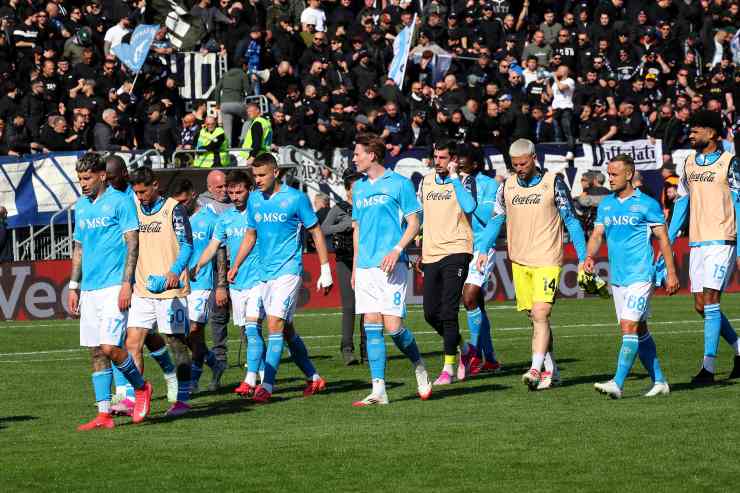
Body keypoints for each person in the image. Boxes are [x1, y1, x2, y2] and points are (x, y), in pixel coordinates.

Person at [477, 139, 588, 391]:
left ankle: (536, 368)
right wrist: (482, 249)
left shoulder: (553, 183)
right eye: (515, 164)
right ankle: (553, 369)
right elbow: (496, 220)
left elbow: (570, 220)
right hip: (520, 260)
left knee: (541, 313)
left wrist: (582, 257)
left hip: (547, 259)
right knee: (535, 318)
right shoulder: (506, 187)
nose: (519, 168)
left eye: (523, 163)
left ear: (534, 158)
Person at [227, 153, 333, 403]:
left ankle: (267, 386)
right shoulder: (254, 200)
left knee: (274, 324)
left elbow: (315, 232)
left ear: (276, 172)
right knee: (286, 331)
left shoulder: (295, 198)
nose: (258, 180)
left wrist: (325, 268)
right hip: (263, 275)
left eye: (262, 175)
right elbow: (250, 236)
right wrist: (236, 265)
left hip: (288, 271)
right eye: (255, 175)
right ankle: (314, 377)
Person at [68, 152, 152, 430]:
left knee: (111, 346)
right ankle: (104, 414)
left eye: (88, 178)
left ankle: (141, 388)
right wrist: (74, 285)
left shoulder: (121, 201)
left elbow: (133, 243)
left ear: (102, 175)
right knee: (96, 351)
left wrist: (127, 282)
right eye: (80, 178)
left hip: (115, 285)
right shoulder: (81, 207)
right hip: (90, 289)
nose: (83, 183)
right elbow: (79, 248)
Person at [584, 154, 679, 399]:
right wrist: (589, 256)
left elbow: (664, 240)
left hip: (641, 275)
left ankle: (617, 383)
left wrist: (671, 272)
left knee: (629, 326)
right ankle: (660, 381)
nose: (610, 178)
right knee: (639, 330)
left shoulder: (647, 203)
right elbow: (596, 235)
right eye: (608, 174)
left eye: (614, 174)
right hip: (619, 278)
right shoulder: (606, 204)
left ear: (629, 174)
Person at [350, 133, 431, 406]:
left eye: (357, 153)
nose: (354, 158)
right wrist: (354, 267)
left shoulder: (399, 184)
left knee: (394, 329)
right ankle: (379, 390)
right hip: (365, 267)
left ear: (372, 154)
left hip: (392, 265)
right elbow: (357, 229)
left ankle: (419, 365)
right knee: (371, 325)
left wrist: (397, 250)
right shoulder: (358, 188)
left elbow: (414, 223)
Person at [666, 110, 740, 384]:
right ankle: (739, 349)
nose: (692, 133)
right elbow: (681, 204)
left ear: (712, 133)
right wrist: (669, 242)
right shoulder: (688, 163)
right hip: (696, 241)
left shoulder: (730, 163)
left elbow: (739, 205)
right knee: (700, 305)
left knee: (710, 300)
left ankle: (707, 368)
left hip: (723, 239)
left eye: (697, 129)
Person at [125, 166, 194, 417]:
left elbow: (187, 244)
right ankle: (135, 397)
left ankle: (183, 400)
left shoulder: (173, 209)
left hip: (171, 290)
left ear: (155, 185)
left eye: (143, 191)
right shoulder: (133, 209)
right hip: (142, 289)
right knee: (132, 342)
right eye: (136, 192)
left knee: (176, 343)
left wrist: (174, 272)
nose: (140, 196)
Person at [193, 170, 266, 398]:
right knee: (248, 330)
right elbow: (213, 247)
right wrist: (198, 266)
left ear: (249, 191)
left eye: (239, 191)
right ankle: (265, 378)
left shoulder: (259, 213)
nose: (234, 196)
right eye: (231, 192)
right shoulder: (225, 219)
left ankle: (249, 380)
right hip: (237, 283)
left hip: (259, 279)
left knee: (253, 330)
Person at [415, 140, 477, 385]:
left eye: (443, 158)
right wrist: (419, 240)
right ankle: (464, 347)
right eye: (436, 157)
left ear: (452, 160)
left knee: (449, 310)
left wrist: (453, 178)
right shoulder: (426, 181)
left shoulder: (462, 180)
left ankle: (448, 368)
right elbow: (421, 214)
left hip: (457, 249)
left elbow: (470, 206)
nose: (438, 162)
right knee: (431, 313)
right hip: (431, 253)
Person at [170, 179, 227, 394]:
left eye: (184, 201)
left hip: (202, 284)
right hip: (179, 285)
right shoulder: (174, 220)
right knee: (182, 335)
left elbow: (219, 253)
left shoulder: (211, 219)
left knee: (194, 331)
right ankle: (215, 363)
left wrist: (220, 285)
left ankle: (193, 380)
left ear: (193, 195)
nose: (181, 206)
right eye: (177, 202)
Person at [458, 145, 501, 376]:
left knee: (469, 296)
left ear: (475, 165)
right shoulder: (456, 184)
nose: (459, 167)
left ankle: (473, 355)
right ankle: (491, 359)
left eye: (462, 163)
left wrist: (465, 192)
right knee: (477, 305)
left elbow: (485, 216)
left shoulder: (489, 185)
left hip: (483, 246)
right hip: (460, 247)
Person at [320, 172, 362, 365]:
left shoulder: (369, 206)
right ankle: (347, 349)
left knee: (369, 309)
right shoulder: (339, 208)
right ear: (347, 190)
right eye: (355, 188)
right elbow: (322, 230)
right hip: (345, 260)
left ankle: (368, 351)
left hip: (367, 261)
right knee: (349, 306)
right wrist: (345, 226)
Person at [197, 170, 233, 388]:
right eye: (219, 187)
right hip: (214, 270)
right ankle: (217, 366)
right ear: (209, 188)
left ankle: (255, 372)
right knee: (216, 320)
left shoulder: (238, 203)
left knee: (249, 321)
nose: (224, 191)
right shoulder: (202, 206)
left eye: (225, 186)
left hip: (240, 266)